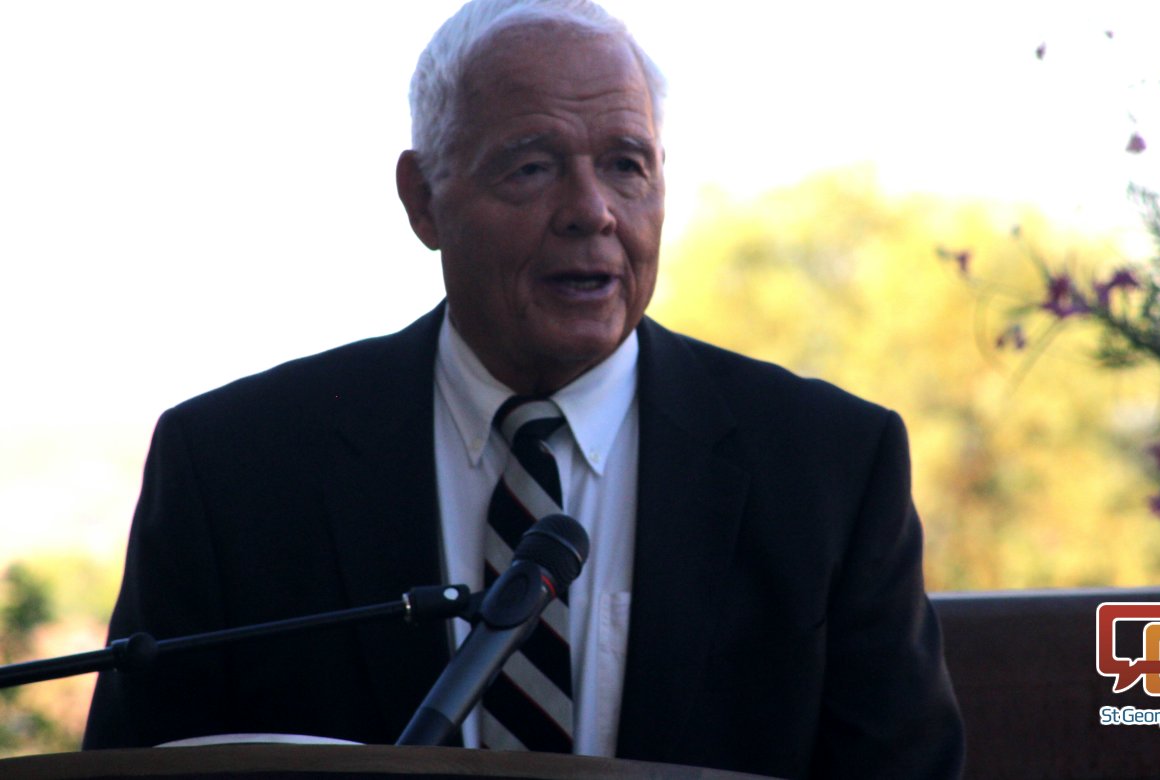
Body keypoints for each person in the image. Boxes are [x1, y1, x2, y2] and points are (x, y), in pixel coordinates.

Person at [83, 0, 964, 777]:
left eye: (627, 164)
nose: (593, 210)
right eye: (533, 167)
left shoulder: (828, 469)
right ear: (423, 198)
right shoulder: (234, 470)